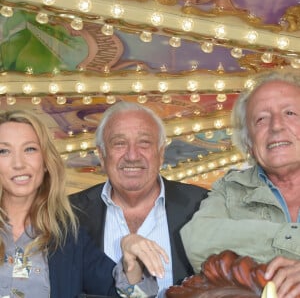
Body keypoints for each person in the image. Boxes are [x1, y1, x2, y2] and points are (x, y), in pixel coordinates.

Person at [0, 110, 160, 298]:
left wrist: (131, 260)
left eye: (30, 149)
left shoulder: (70, 237)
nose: (18, 163)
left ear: (45, 162)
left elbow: (127, 295)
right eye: (3, 151)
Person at [180, 70, 300, 298]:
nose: (276, 126)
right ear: (249, 143)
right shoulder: (230, 189)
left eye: (290, 113)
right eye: (261, 119)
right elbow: (197, 240)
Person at [70, 101, 208, 297]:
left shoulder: (202, 205)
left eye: (144, 142)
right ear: (102, 155)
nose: (132, 155)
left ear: (160, 153)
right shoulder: (69, 214)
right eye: (119, 143)